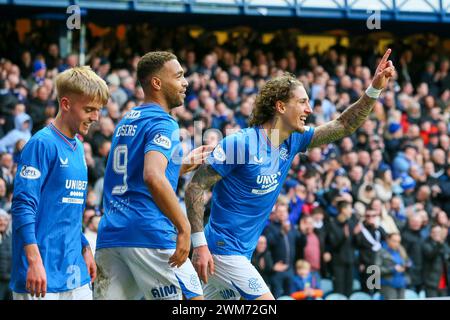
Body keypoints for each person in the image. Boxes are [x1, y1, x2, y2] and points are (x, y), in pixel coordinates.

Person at [185, 49, 396, 299]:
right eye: (302, 102)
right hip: (221, 250)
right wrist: (199, 244)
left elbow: (343, 125)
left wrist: (374, 89)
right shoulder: (239, 144)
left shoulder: (293, 140)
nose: (309, 108)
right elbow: (195, 188)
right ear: (281, 106)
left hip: (242, 252)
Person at [94, 51, 208, 300]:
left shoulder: (127, 120)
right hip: (149, 232)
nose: (185, 82)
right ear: (157, 83)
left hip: (112, 236)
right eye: (178, 76)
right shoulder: (164, 122)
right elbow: (152, 176)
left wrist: (181, 165)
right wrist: (184, 227)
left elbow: (135, 174)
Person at [10, 66, 109, 300]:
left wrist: (84, 246)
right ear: (65, 104)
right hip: (40, 274)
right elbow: (22, 206)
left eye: (98, 110)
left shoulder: (77, 148)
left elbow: (68, 211)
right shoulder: (41, 144)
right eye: (89, 109)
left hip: (74, 270)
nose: (95, 117)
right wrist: (34, 261)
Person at [377, 233, 411, 300]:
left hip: (401, 283)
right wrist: (393, 269)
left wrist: (407, 265)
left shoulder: (401, 251)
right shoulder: (381, 252)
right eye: (394, 241)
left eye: (398, 241)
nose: (397, 243)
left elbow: (408, 261)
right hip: (387, 284)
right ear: (388, 240)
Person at [422, 224, 450, 298]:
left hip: (444, 281)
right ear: (431, 233)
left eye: (439, 232)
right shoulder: (426, 244)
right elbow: (431, 255)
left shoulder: (444, 244)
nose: (437, 234)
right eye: (435, 232)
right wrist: (439, 244)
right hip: (431, 282)